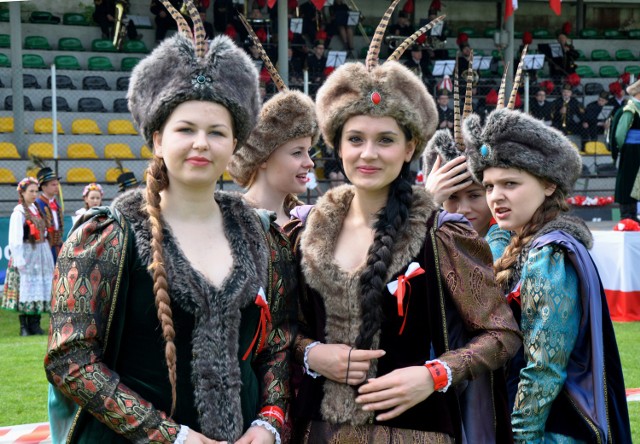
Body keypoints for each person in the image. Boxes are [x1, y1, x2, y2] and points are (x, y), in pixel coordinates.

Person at [45, 5, 296, 443]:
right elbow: (70, 359)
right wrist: (171, 436)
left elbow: (275, 346)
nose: (202, 143)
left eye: (217, 132)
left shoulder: (262, 236)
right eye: (185, 129)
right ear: (157, 138)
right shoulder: (106, 235)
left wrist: (268, 422)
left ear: (234, 142)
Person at [285, 8, 521, 442]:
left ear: (410, 146)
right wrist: (312, 354)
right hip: (316, 431)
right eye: (355, 139)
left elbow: (501, 334)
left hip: (417, 433)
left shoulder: (442, 234)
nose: (368, 153)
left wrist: (435, 374)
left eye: (386, 140)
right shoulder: (303, 231)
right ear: (337, 146)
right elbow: (277, 332)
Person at [465, 91, 632, 443]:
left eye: (511, 183)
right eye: (490, 185)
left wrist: (522, 437)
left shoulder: (548, 254)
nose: (496, 196)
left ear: (548, 184)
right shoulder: (526, 241)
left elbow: (543, 368)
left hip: (551, 431)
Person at [228, 18, 319, 227]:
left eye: (308, 151)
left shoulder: (309, 227)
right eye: (297, 152)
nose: (310, 162)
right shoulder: (230, 225)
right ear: (262, 157)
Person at [424, 73, 511, 260]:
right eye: (452, 196)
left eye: (474, 195)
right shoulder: (428, 245)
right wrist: (427, 203)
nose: (463, 209)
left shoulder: (525, 247)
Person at [2, 177, 55, 336]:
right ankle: (24, 326)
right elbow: (15, 238)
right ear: (22, 193)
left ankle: (35, 324)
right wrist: (19, 260)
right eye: (30, 191)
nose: (34, 194)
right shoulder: (19, 212)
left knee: (38, 287)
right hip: (26, 253)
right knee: (25, 288)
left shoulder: (36, 209)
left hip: (39, 252)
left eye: (35, 191)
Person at [614, 79, 640, 222]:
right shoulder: (630, 109)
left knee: (636, 182)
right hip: (631, 149)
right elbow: (620, 134)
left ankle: (633, 213)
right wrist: (624, 148)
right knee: (628, 180)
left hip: (637, 149)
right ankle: (626, 214)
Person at [35, 166, 64, 263]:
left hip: (58, 247)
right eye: (53, 184)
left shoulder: (56, 204)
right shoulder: (38, 205)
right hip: (45, 247)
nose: (57, 187)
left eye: (57, 184)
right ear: (43, 187)